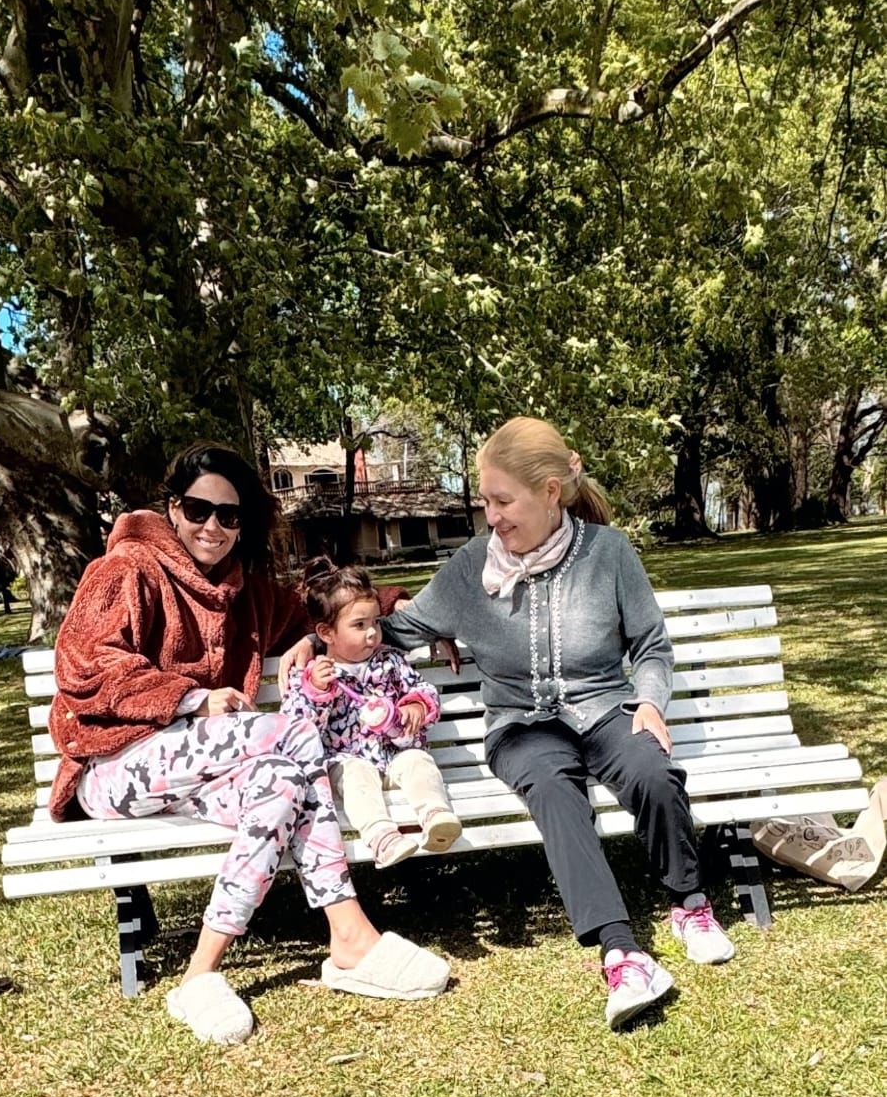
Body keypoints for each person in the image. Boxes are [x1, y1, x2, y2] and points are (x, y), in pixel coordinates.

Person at [286, 415, 734, 1030]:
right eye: (486, 502)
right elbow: (396, 627)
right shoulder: (474, 566)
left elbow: (650, 645)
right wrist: (318, 643)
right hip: (522, 727)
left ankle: (689, 903)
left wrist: (650, 701)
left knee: (653, 772)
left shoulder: (608, 553)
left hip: (604, 708)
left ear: (550, 491)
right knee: (554, 791)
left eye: (502, 501)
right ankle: (622, 953)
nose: (491, 517)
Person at [48, 442, 450, 1046]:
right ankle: (350, 931)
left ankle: (201, 976)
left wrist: (418, 618)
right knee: (291, 730)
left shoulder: (245, 591)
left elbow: (323, 611)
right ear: (172, 508)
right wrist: (189, 697)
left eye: (229, 515)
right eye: (198, 509)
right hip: (116, 765)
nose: (213, 526)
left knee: (283, 782)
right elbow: (82, 666)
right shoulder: (126, 569)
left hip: (198, 774)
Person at [280, 557, 462, 868]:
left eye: (376, 622)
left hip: (394, 755)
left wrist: (417, 705)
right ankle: (381, 837)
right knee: (356, 776)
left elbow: (423, 689)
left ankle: (436, 817)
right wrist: (318, 693)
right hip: (347, 761)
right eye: (359, 625)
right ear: (326, 633)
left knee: (418, 761)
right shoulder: (314, 675)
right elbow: (298, 728)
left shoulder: (389, 661)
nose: (373, 633)